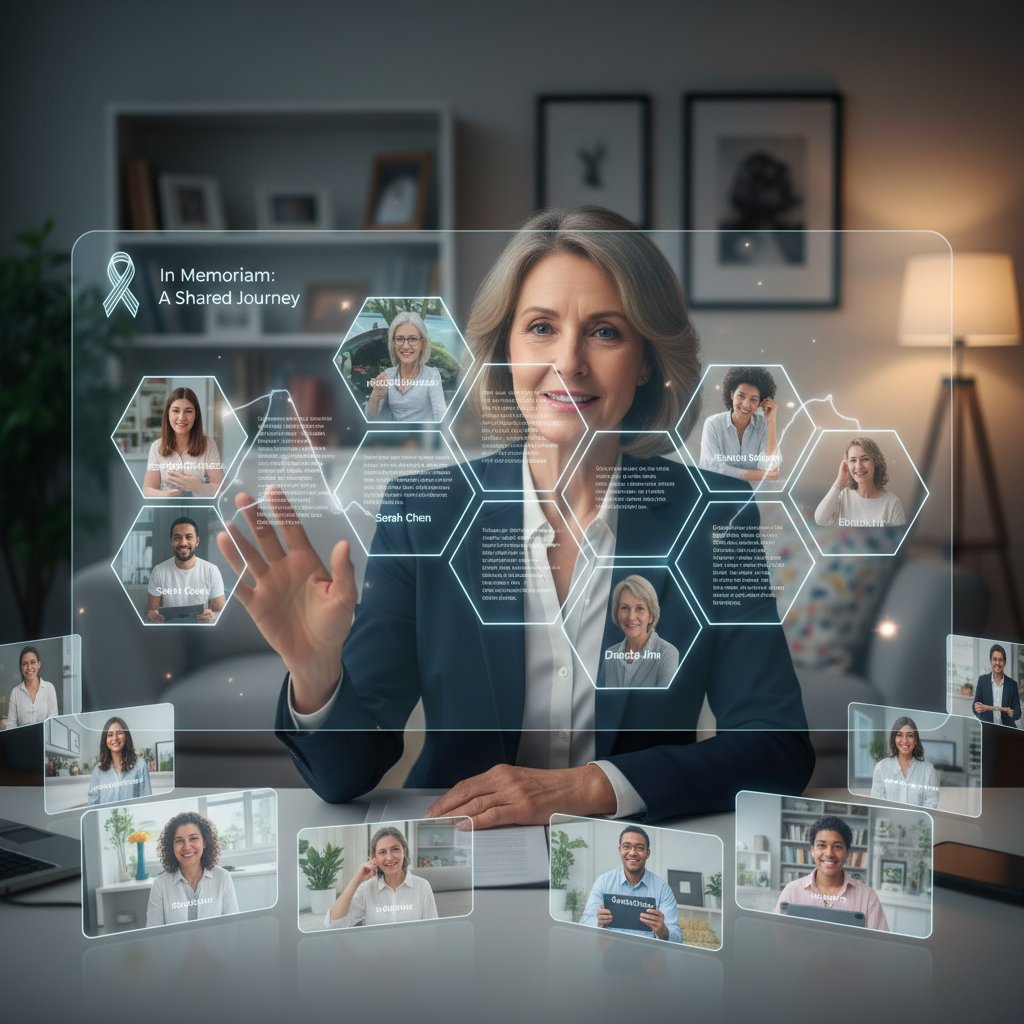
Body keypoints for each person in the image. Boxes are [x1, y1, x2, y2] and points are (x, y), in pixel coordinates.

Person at [219, 206, 813, 829]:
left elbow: (777, 747)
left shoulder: (716, 517)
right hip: (460, 854)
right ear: (506, 347)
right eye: (541, 328)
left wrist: (588, 787)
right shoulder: (423, 513)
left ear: (645, 361)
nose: (569, 362)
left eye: (605, 332)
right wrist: (316, 675)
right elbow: (345, 774)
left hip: (631, 852)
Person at [774, 814, 888, 930]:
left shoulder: (867, 897)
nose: (829, 853)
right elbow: (777, 936)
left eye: (837, 847)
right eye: (821, 845)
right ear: (812, 850)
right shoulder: (792, 891)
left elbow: (880, 941)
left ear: (847, 853)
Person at [578, 826, 681, 942]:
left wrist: (663, 930)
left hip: (647, 951)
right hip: (609, 950)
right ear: (620, 850)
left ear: (647, 853)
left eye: (639, 848)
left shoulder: (662, 888)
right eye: (626, 846)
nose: (632, 853)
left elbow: (677, 938)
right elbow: (584, 924)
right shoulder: (603, 882)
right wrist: (597, 922)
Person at [324, 825, 438, 928]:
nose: (389, 858)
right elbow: (333, 925)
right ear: (374, 858)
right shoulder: (366, 889)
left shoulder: (423, 886)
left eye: (395, 849)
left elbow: (432, 929)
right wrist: (357, 880)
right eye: (382, 852)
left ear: (404, 851)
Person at [146, 811, 238, 926]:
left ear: (204, 842)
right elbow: (153, 932)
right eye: (179, 841)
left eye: (193, 838)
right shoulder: (160, 884)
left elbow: (233, 926)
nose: (187, 847)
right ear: (172, 846)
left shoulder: (223, 877)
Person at [698, 366, 781, 483]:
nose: (746, 404)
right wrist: (759, 475)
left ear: (760, 403)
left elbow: (771, 469)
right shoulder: (713, 424)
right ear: (732, 394)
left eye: (753, 399)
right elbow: (711, 467)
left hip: (753, 492)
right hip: (719, 490)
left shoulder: (763, 425)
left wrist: (771, 422)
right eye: (741, 396)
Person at [142, 386, 224, 497]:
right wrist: (165, 495)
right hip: (168, 507)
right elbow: (147, 490)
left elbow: (220, 488)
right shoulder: (156, 447)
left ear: (196, 415)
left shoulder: (209, 445)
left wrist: (198, 487)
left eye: (188, 411)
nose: (181, 417)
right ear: (168, 413)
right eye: (175, 410)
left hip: (199, 507)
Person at [366, 312, 448, 422]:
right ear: (393, 343)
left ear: (423, 343)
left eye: (413, 339)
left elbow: (442, 417)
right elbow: (369, 418)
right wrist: (375, 396)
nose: (405, 346)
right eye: (400, 339)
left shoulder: (432, 375)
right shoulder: (387, 375)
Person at [601, 575, 680, 688]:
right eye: (625, 608)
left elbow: (665, 699)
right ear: (616, 612)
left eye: (640, 608)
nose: (631, 617)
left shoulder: (667, 654)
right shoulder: (610, 656)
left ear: (651, 615)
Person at [147, 516, 226, 623]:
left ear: (197, 541)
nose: (183, 543)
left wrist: (214, 616)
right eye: (177, 537)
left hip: (202, 631)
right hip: (169, 631)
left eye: (189, 537)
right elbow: (151, 612)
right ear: (171, 541)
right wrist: (152, 616)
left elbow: (221, 612)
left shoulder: (212, 571)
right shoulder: (159, 571)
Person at [814, 437, 906, 527]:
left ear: (876, 462)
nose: (858, 466)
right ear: (847, 465)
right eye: (853, 460)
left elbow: (898, 536)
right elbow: (820, 520)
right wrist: (839, 481)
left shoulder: (893, 503)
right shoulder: (843, 496)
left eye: (865, 459)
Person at [870, 716, 939, 808]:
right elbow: (877, 804)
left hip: (918, 818)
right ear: (894, 739)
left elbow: (932, 803)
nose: (904, 740)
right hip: (889, 818)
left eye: (910, 735)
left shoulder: (928, 771)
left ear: (915, 741)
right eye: (899, 735)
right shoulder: (881, 768)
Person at [87, 716, 153, 805]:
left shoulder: (140, 765)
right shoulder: (97, 771)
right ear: (105, 739)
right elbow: (92, 805)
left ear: (126, 736)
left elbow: (147, 802)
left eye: (119, 733)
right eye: (110, 735)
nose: (115, 738)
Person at [5, 646, 59, 730]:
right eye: (25, 664)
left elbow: (53, 721)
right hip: (23, 737)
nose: (29, 667)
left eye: (32, 662)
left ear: (39, 664)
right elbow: (11, 726)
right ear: (21, 667)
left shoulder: (49, 688)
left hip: (44, 737)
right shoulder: (15, 692)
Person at [973, 643, 1021, 727]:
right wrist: (978, 709)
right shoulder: (982, 680)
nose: (997, 663)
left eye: (1001, 660)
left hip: (1007, 729)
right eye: (994, 659)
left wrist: (1012, 713)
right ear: (991, 661)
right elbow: (974, 708)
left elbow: (1018, 714)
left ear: (1005, 662)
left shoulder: (1012, 685)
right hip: (988, 728)